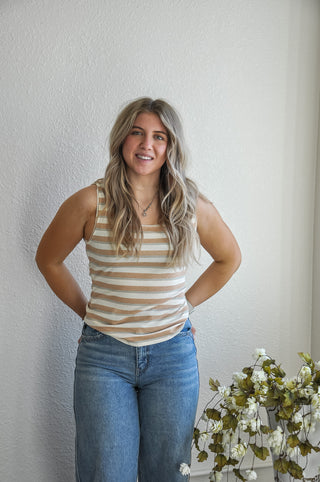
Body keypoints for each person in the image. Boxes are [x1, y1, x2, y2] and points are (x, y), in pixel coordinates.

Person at [35, 97, 241, 482]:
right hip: (104, 360)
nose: (147, 145)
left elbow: (229, 258)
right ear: (121, 139)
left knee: (167, 474)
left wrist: (185, 306)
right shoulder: (88, 203)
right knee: (106, 474)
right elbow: (48, 259)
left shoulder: (188, 205)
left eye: (159, 137)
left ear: (170, 147)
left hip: (173, 359)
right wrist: (88, 312)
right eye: (137, 133)